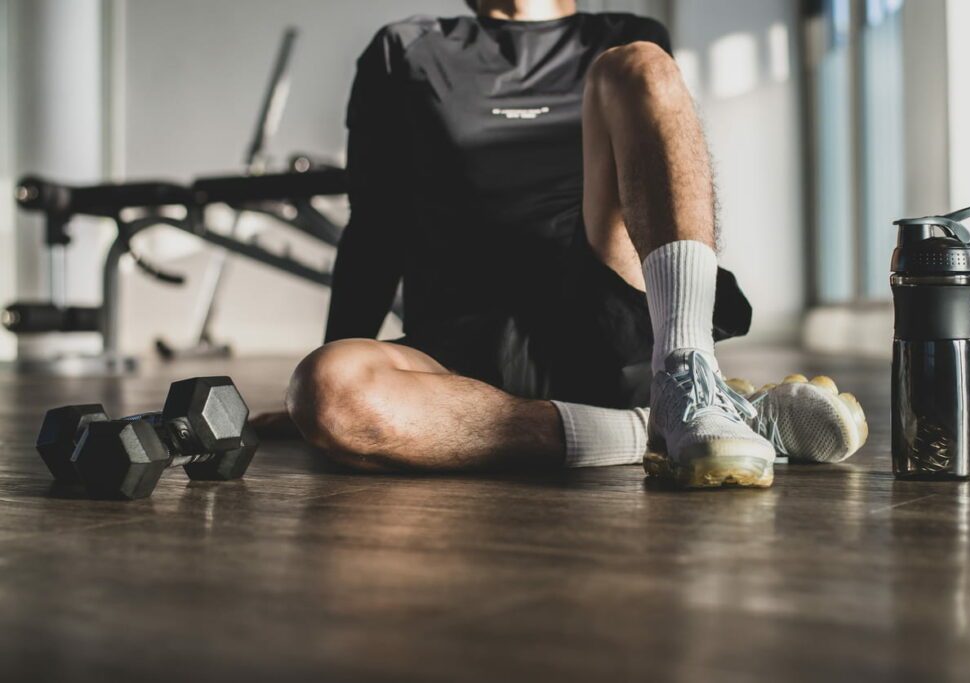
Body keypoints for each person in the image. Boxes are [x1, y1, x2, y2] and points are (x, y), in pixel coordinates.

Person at [272, 0, 868, 487]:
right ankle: (664, 428)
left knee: (640, 66)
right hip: (460, 346)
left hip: (604, 315)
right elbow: (376, 225)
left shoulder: (621, 36)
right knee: (329, 389)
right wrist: (321, 385)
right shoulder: (406, 49)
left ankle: (690, 379)